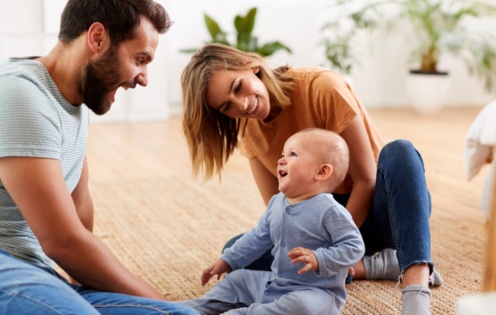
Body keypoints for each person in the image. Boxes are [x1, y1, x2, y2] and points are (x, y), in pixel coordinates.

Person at [181, 43, 444, 315]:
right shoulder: (249, 131)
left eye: (238, 87)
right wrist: (322, 257)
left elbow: (366, 180)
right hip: (322, 234)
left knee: (401, 151)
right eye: (228, 107)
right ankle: (371, 265)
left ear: (253, 68)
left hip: (384, 210)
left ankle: (415, 283)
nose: (243, 105)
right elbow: (278, 212)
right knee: (236, 251)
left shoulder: (322, 87)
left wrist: (329, 252)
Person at [0, 1, 197, 314]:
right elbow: (63, 241)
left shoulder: (73, 105)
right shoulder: (20, 94)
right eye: (140, 59)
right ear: (97, 39)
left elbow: (79, 211)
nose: (143, 78)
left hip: (38, 273)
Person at [184, 128, 365, 314]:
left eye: (293, 154)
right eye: (282, 154)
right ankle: (195, 308)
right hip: (275, 282)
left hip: (316, 292)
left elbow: (354, 246)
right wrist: (228, 260)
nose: (281, 160)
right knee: (237, 279)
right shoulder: (276, 202)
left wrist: (320, 258)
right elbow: (257, 237)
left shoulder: (329, 209)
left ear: (322, 171)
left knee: (301, 307)